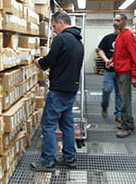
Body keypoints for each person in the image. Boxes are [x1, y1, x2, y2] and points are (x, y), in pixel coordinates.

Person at [30, 11, 84, 172]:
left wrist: (40, 61)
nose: (53, 30)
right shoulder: (78, 41)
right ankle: (70, 157)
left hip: (59, 89)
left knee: (48, 124)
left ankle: (47, 161)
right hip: (71, 89)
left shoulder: (61, 39)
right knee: (67, 124)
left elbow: (50, 60)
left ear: (61, 22)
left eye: (54, 26)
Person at [110, 13, 136, 138]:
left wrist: (134, 75)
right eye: (114, 20)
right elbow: (119, 54)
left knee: (124, 100)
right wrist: (112, 61)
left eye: (118, 20)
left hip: (125, 73)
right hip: (119, 71)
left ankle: (126, 127)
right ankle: (129, 122)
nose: (115, 23)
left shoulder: (128, 36)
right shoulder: (119, 36)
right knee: (123, 98)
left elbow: (134, 55)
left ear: (124, 22)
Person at [97, 28, 122, 123]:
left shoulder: (125, 39)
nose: (117, 30)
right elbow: (100, 50)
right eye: (115, 27)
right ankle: (104, 106)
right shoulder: (108, 38)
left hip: (120, 71)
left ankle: (118, 113)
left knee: (119, 93)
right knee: (106, 90)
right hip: (109, 71)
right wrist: (106, 60)